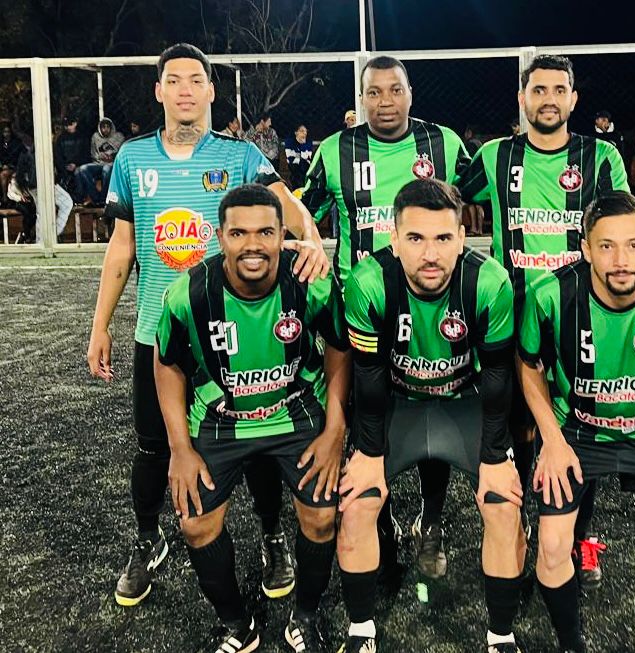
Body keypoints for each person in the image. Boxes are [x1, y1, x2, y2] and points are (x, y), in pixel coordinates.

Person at [86, 42, 329, 610]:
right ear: (159, 90)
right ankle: (148, 540)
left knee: (260, 439)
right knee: (155, 448)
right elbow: (122, 247)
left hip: (237, 333)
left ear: (211, 91)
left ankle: (272, 538)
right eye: (174, 80)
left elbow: (289, 209)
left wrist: (314, 242)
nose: (186, 90)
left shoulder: (240, 156)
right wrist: (101, 324)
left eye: (196, 80)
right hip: (161, 329)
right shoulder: (132, 159)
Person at [457, 53, 629, 588]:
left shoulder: (601, 157)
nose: (548, 99)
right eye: (538, 90)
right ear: (522, 99)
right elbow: (449, 199)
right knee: (517, 428)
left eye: (559, 90)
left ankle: (581, 536)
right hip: (510, 319)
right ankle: (524, 524)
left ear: (573, 99)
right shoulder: (494, 156)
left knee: (581, 427)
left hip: (580, 319)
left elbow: (622, 226)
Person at [155, 183, 350, 653]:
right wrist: (180, 448)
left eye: (265, 232)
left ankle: (305, 617)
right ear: (219, 236)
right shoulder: (187, 294)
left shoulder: (311, 283)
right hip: (219, 419)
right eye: (238, 233)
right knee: (196, 525)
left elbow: (339, 348)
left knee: (322, 517)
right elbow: (168, 365)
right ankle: (236, 626)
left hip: (296, 408)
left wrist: (335, 430)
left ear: (283, 234)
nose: (253, 245)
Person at [517, 190, 635, 653]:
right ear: (586, 249)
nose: (621, 260)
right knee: (552, 547)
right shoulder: (551, 295)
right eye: (606, 246)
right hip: (576, 430)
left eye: (633, 245)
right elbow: (529, 366)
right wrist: (552, 440)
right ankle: (571, 645)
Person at [302, 55, 472, 582]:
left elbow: (484, 196)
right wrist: (310, 242)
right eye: (373, 93)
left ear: (410, 92)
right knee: (367, 419)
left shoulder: (444, 144)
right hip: (361, 314)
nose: (384, 102)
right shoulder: (334, 151)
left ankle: (432, 519)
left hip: (432, 311)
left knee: (432, 413)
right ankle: (382, 521)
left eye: (394, 90)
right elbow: (302, 210)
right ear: (361, 99)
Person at [337, 179, 525, 653]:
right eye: (416, 238)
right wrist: (368, 453)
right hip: (397, 404)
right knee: (357, 504)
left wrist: (495, 455)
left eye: (443, 238)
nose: (430, 254)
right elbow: (368, 377)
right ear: (394, 239)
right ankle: (361, 631)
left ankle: (501, 636)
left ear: (462, 238)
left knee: (504, 507)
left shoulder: (489, 282)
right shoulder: (367, 282)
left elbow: (498, 375)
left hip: (462, 403)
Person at [15, 144, 74, 242]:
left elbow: (19, 175)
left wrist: (25, 187)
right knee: (66, 203)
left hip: (35, 186)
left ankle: (42, 239)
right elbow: (59, 167)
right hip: (43, 184)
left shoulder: (26, 151)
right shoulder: (46, 148)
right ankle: (50, 235)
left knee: (41, 213)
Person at [76, 117, 125, 206]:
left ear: (111, 127)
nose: (105, 129)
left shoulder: (119, 137)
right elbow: (93, 154)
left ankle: (103, 199)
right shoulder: (95, 137)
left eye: (107, 127)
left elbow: (123, 153)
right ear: (100, 128)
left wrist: (113, 157)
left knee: (106, 169)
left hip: (113, 164)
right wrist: (100, 157)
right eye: (103, 127)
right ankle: (95, 198)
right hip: (99, 163)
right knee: (83, 169)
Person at [54, 117, 88, 198]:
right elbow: (58, 156)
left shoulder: (82, 137)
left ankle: (79, 198)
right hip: (64, 167)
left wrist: (76, 164)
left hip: (79, 166)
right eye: (65, 125)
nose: (67, 127)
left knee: (78, 172)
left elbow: (86, 155)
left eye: (69, 124)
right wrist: (64, 166)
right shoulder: (61, 139)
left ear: (75, 124)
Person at [0, 123, 25, 206]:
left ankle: (5, 198)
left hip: (14, 167)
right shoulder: (1, 143)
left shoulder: (16, 143)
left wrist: (8, 165)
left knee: (3, 175)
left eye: (8, 132)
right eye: (4, 132)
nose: (6, 134)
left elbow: (17, 157)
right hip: (3, 166)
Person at [284, 124, 314, 189]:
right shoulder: (290, 142)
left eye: (306, 131)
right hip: (294, 168)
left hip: (305, 168)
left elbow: (307, 158)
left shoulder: (308, 142)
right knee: (296, 173)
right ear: (296, 133)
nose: (305, 133)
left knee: (304, 165)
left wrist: (302, 145)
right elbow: (291, 159)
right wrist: (301, 154)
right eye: (302, 131)